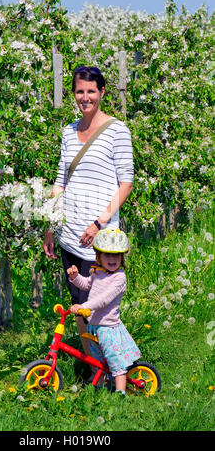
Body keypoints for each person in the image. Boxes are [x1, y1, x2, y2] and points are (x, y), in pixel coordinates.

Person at [42, 66, 134, 375]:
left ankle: (116, 365)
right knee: (78, 301)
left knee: (100, 307)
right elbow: (60, 181)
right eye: (80, 91)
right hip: (69, 233)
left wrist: (99, 222)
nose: (85, 97)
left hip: (100, 237)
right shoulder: (69, 131)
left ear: (102, 92)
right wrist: (50, 225)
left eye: (91, 91)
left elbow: (126, 183)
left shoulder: (117, 130)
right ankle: (95, 366)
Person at [68, 228, 141, 394]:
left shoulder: (119, 278)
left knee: (115, 361)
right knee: (98, 360)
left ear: (122, 257)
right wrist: (75, 277)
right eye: (107, 254)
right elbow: (87, 285)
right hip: (94, 326)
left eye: (116, 255)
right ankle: (103, 385)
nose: (112, 259)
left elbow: (104, 299)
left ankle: (120, 392)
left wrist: (84, 307)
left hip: (108, 328)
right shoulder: (97, 272)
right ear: (98, 256)